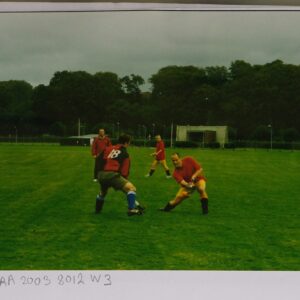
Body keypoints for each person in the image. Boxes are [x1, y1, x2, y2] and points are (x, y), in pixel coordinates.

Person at [95, 134, 144, 216]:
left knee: (103, 192)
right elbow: (124, 172)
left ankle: (97, 210)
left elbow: (99, 160)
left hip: (101, 174)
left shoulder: (108, 148)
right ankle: (131, 209)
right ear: (126, 143)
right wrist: (123, 183)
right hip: (112, 175)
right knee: (131, 188)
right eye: (129, 143)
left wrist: (97, 175)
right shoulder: (125, 154)